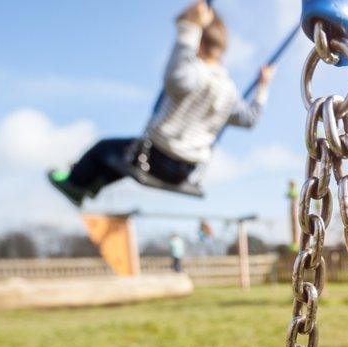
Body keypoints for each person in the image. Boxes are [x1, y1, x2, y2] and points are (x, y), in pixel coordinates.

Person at [48, 1, 276, 207]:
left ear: (198, 41)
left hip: (156, 157)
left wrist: (189, 29)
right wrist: (263, 86)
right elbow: (250, 119)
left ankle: (75, 185)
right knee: (120, 159)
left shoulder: (194, 73)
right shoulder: (230, 91)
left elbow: (176, 79)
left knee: (102, 149)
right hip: (186, 171)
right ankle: (93, 185)